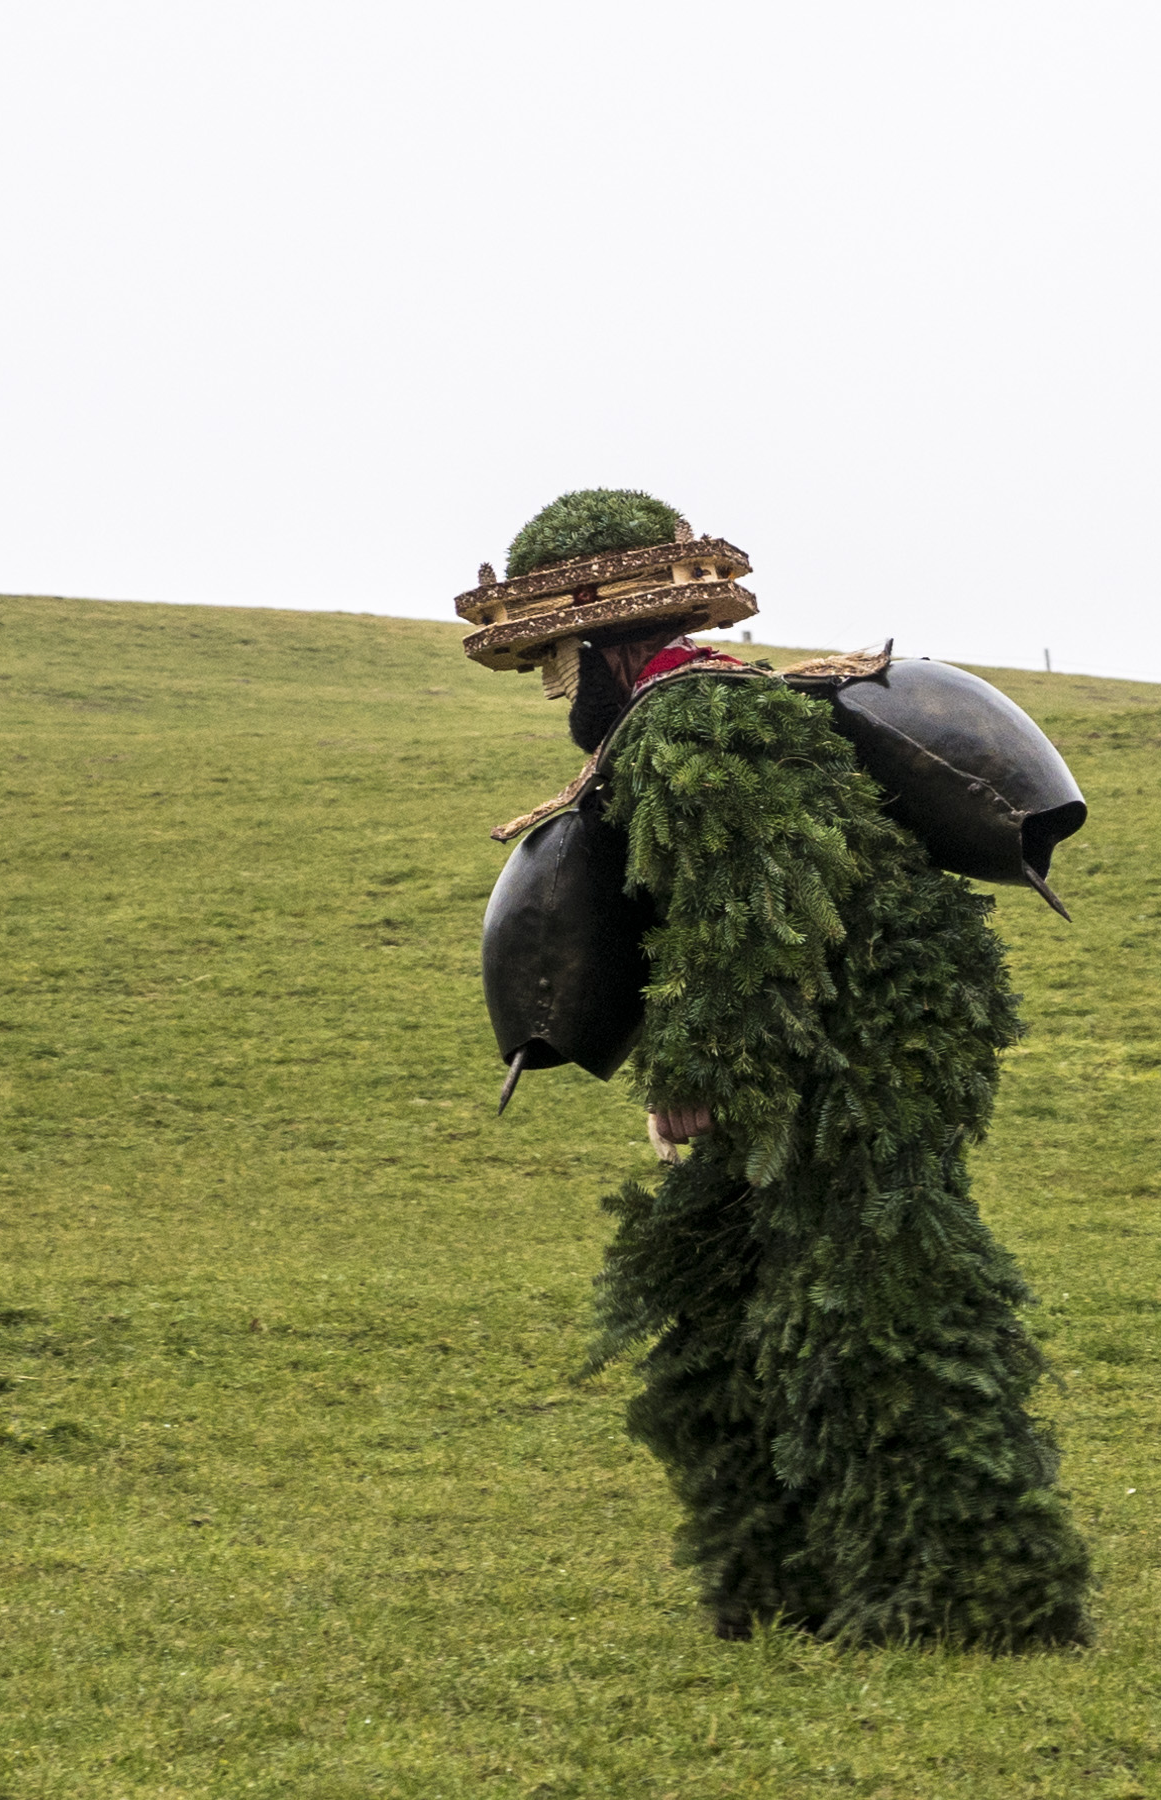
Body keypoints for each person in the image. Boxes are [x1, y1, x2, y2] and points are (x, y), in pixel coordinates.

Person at [457, 489, 1094, 1651]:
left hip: (859, 1050)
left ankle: (966, 1598)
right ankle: (785, 1572)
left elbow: (750, 917)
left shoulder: (693, 729)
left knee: (878, 1298)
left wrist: (695, 1072)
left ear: (603, 645)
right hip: (808, 1037)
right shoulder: (690, 718)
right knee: (722, 1288)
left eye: (558, 661)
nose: (557, 691)